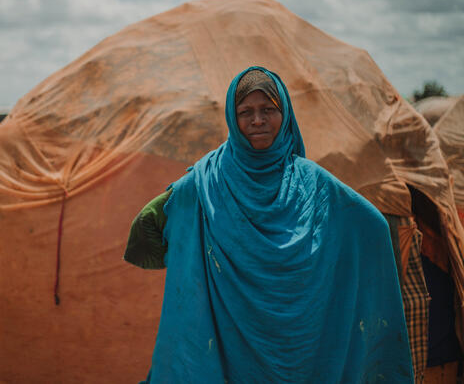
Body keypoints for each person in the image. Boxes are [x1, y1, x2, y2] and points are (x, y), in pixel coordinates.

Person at [124, 66, 414, 383]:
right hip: (229, 341)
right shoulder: (208, 181)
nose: (257, 121)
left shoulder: (313, 182)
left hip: (304, 343)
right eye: (245, 112)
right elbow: (150, 225)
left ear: (284, 113)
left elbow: (371, 224)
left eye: (268, 110)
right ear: (232, 119)